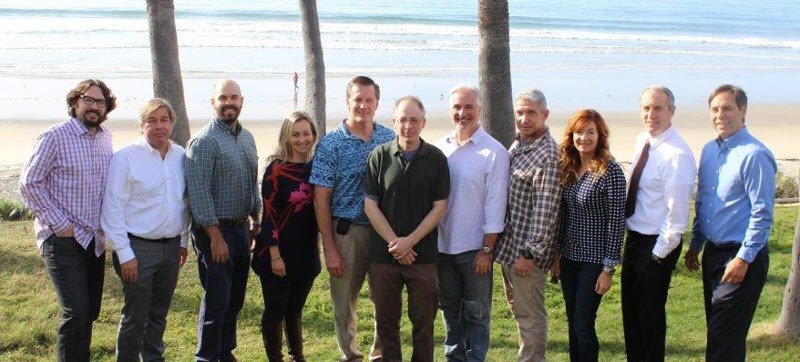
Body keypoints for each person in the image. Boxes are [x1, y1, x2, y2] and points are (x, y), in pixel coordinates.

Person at [19, 79, 116, 361]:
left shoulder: (106, 137)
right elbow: (29, 183)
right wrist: (60, 225)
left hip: (93, 239)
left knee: (89, 313)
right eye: (88, 100)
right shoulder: (54, 136)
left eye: (101, 102)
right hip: (62, 238)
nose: (94, 106)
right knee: (76, 313)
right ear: (75, 102)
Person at [685, 84, 776, 362]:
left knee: (724, 338)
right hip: (713, 253)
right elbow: (705, 203)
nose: (719, 115)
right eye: (714, 109)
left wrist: (743, 259)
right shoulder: (709, 151)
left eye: (727, 108)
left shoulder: (754, 154)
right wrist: (696, 245)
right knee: (721, 334)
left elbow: (762, 214)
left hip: (741, 258)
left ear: (743, 110)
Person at [310, 75, 395, 361]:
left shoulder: (389, 139)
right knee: (345, 303)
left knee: (385, 299)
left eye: (369, 100)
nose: (363, 105)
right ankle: (351, 355)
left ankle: (380, 355)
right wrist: (330, 247)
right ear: (348, 102)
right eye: (358, 99)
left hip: (383, 233)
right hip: (347, 233)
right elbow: (320, 198)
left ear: (377, 103)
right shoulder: (331, 144)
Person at [101, 98, 191, 362]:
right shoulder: (126, 158)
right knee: (135, 316)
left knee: (158, 314)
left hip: (171, 247)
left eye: (164, 120)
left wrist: (183, 240)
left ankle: (153, 358)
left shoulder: (180, 157)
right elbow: (112, 209)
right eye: (151, 121)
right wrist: (124, 253)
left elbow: (183, 203)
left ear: (172, 124)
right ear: (142, 126)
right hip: (137, 248)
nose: (159, 126)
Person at [364, 96, 450, 361]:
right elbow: (370, 205)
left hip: (422, 257)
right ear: (394, 122)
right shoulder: (379, 155)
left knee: (423, 324)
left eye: (414, 120)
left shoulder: (436, 158)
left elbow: (439, 207)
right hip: (383, 256)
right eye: (403, 119)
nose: (408, 126)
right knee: (386, 324)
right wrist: (396, 244)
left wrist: (409, 242)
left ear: (423, 123)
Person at [185, 79, 261, 362]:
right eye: (223, 98)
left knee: (235, 299)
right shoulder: (204, 142)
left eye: (234, 97)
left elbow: (252, 183)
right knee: (217, 299)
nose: (229, 102)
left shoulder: (246, 137)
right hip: (215, 232)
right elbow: (198, 194)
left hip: (242, 229)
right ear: (213, 102)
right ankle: (206, 356)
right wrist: (215, 238)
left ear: (241, 101)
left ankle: (224, 351)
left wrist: (256, 220)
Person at [435, 85, 510, 361]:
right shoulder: (440, 148)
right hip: (443, 248)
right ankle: (454, 357)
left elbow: (496, 205)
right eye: (456, 107)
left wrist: (487, 250)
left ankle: (475, 358)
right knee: (450, 310)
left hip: (475, 250)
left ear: (479, 110)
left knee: (477, 313)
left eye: (468, 107)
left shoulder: (494, 152)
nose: (462, 113)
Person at [621, 86, 696, 362]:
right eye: (646, 108)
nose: (651, 114)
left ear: (672, 111)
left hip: (657, 245)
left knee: (649, 317)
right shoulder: (644, 140)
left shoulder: (677, 155)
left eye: (658, 108)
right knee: (631, 313)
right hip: (636, 239)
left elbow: (677, 219)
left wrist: (656, 256)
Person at [551, 109, 625, 362]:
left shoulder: (610, 171)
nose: (584, 137)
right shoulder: (569, 167)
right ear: (571, 136)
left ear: (600, 135)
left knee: (583, 324)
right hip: (570, 258)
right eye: (579, 132)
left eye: (590, 132)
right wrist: (558, 254)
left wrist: (609, 269)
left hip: (594, 263)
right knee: (572, 322)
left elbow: (616, 223)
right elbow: (565, 217)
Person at [495, 89, 561, 362]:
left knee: (530, 314)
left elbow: (546, 211)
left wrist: (529, 254)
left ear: (545, 115)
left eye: (531, 113)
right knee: (520, 311)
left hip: (526, 254)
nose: (524, 119)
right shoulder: (520, 145)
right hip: (511, 247)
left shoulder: (547, 154)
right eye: (520, 113)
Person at [252, 111, 320, 362]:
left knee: (295, 309)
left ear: (313, 135)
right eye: (296, 134)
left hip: (306, 251)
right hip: (276, 252)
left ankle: (297, 356)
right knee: (275, 310)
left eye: (306, 133)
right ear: (287, 137)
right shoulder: (276, 170)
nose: (302, 139)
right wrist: (275, 255)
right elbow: (268, 215)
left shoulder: (317, 167)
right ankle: (276, 358)